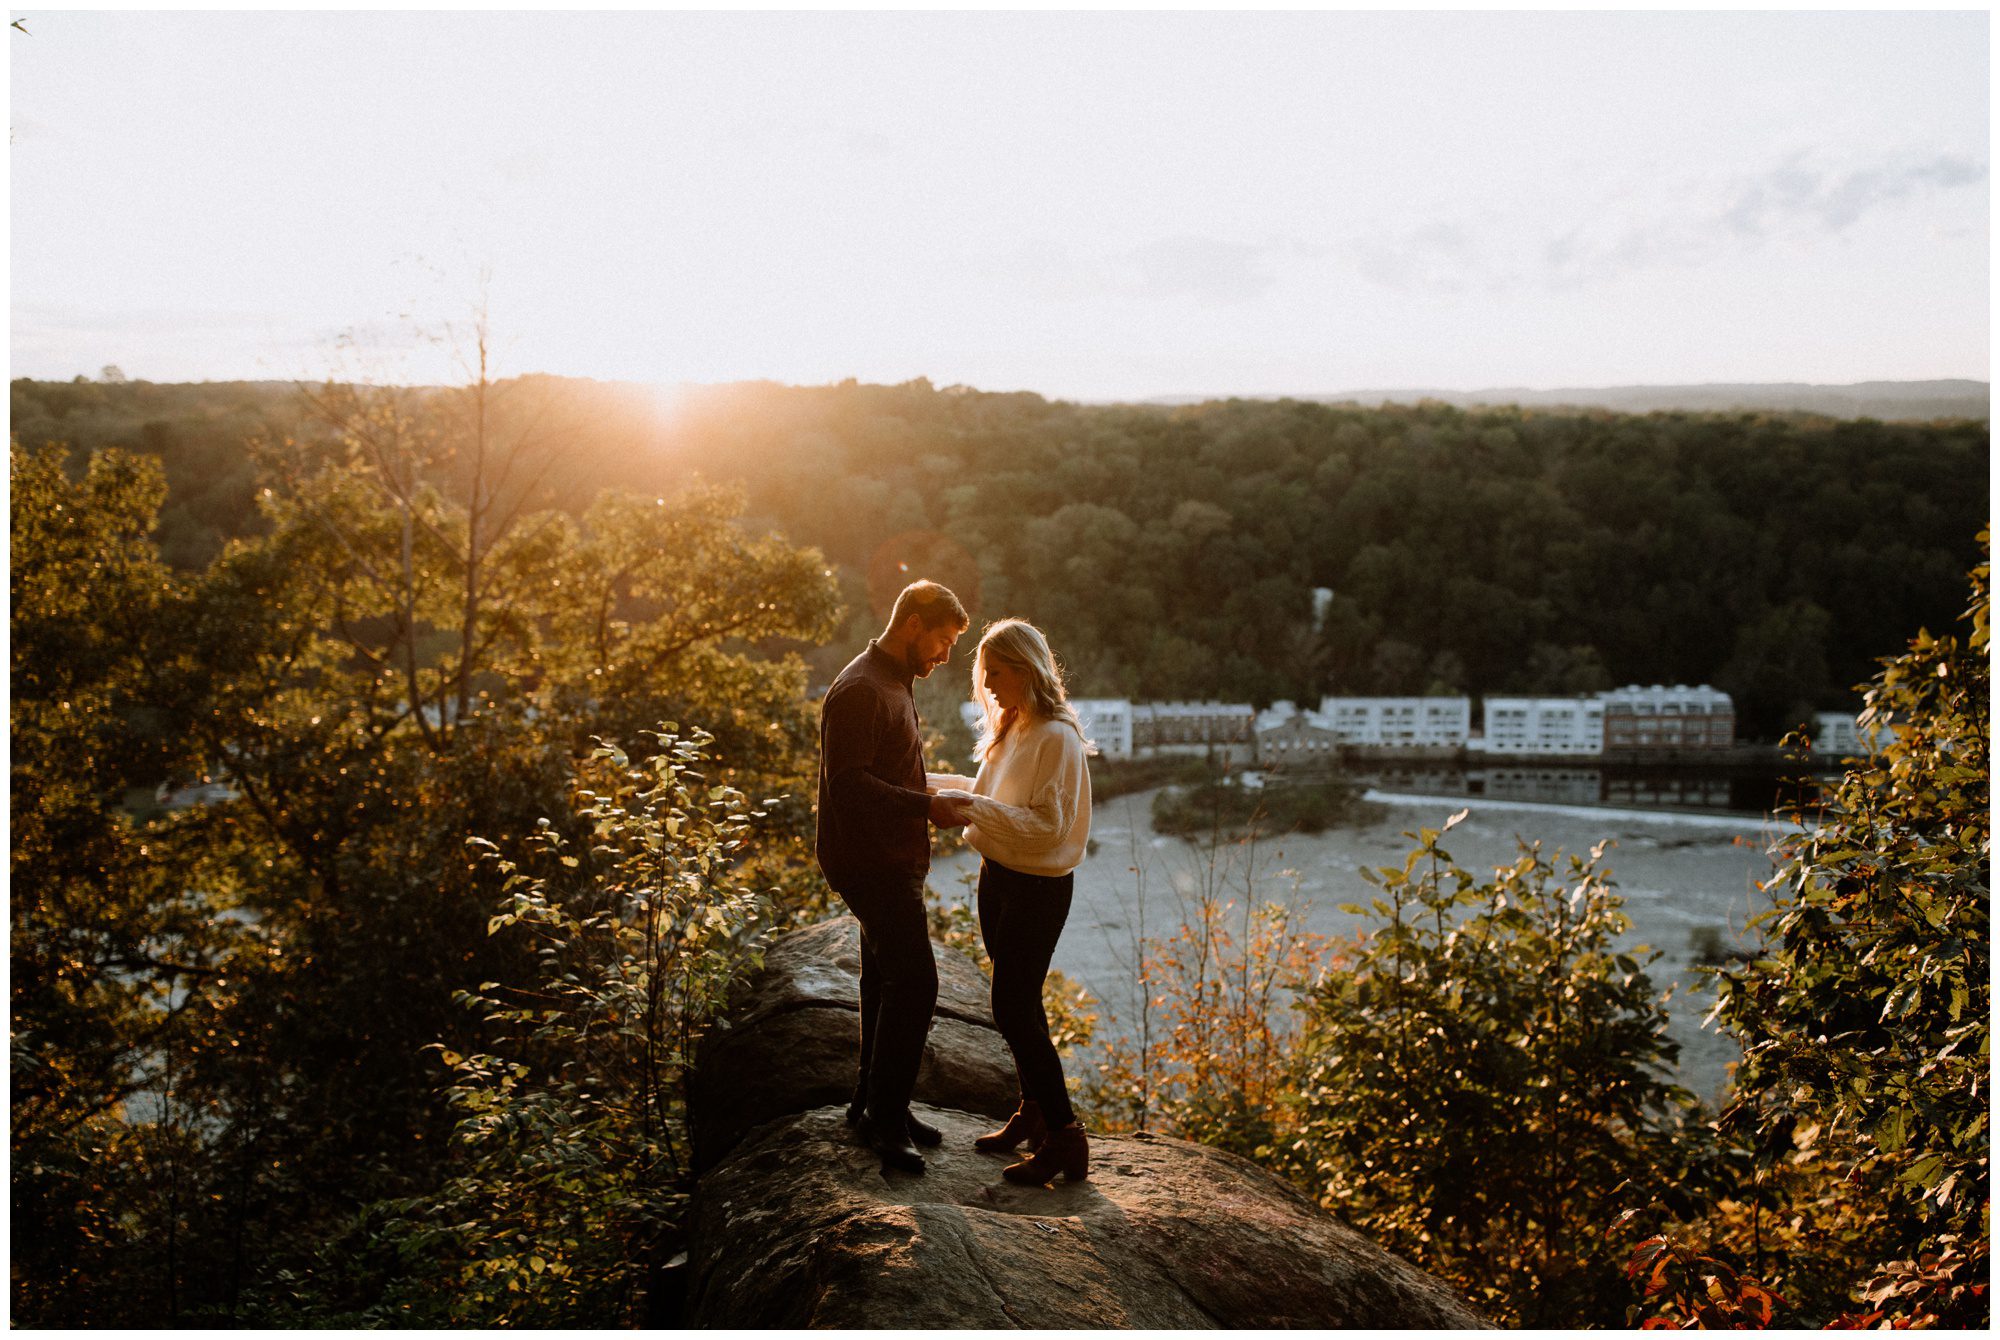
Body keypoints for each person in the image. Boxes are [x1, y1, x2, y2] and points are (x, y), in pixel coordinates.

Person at [927, 618, 1093, 1184]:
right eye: (985, 675)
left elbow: (1050, 828)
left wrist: (967, 807)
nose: (988, 685)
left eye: (996, 673)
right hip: (998, 876)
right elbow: (987, 797)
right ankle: (1036, 1113)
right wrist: (918, 785)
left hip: (1038, 889)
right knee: (1022, 1004)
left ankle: (1067, 1137)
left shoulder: (1057, 737)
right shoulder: (1013, 726)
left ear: (1026, 669)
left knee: (1011, 1007)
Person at [816, 580, 973, 1174]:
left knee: (882, 978)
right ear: (911, 623)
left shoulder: (892, 680)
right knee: (917, 984)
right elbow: (848, 785)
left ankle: (874, 1101)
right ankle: (886, 1119)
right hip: (871, 861)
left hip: (890, 855)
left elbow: (889, 767)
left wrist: (939, 788)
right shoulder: (860, 689)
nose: (945, 654)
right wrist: (925, 808)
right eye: (942, 639)